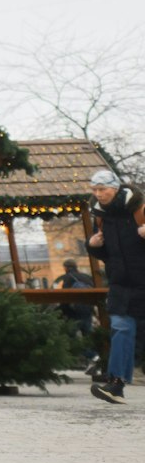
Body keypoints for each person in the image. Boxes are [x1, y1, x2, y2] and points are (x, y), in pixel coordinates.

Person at [87, 168, 144, 404]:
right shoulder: (100, 216)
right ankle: (116, 384)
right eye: (95, 190)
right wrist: (92, 245)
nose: (98, 194)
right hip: (121, 284)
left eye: (102, 189)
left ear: (116, 188)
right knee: (121, 329)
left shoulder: (139, 209)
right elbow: (107, 254)